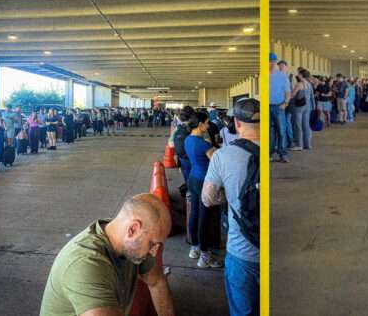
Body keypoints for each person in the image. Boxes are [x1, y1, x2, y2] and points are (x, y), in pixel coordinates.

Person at [40, 194, 174, 316]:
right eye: (152, 244)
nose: (154, 252)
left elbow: (156, 282)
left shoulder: (131, 242)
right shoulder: (85, 264)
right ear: (132, 230)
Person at [202, 97, 260, 316]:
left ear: (236, 122)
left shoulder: (222, 156)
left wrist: (230, 198)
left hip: (242, 251)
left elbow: (207, 199)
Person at [184, 111, 222, 268]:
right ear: (200, 125)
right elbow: (217, 163)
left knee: (195, 214)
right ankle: (205, 255)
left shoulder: (188, 140)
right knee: (205, 218)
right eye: (206, 123)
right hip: (204, 181)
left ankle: (195, 248)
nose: (208, 125)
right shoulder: (204, 144)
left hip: (193, 178)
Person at [269, 53, 291, 163]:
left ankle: (283, 154)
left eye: (272, 61)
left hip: (279, 106)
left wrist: (286, 103)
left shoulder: (282, 76)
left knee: (281, 131)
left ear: (274, 62)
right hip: (267, 107)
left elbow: (288, 92)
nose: (270, 64)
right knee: (270, 132)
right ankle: (270, 153)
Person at [290, 69, 314, 151]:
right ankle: (307, 144)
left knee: (298, 126)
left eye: (299, 74)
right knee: (306, 125)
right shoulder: (309, 84)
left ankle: (299, 144)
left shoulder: (299, 84)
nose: (297, 75)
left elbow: (292, 95)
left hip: (298, 107)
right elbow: (311, 97)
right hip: (307, 107)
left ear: (301, 75)